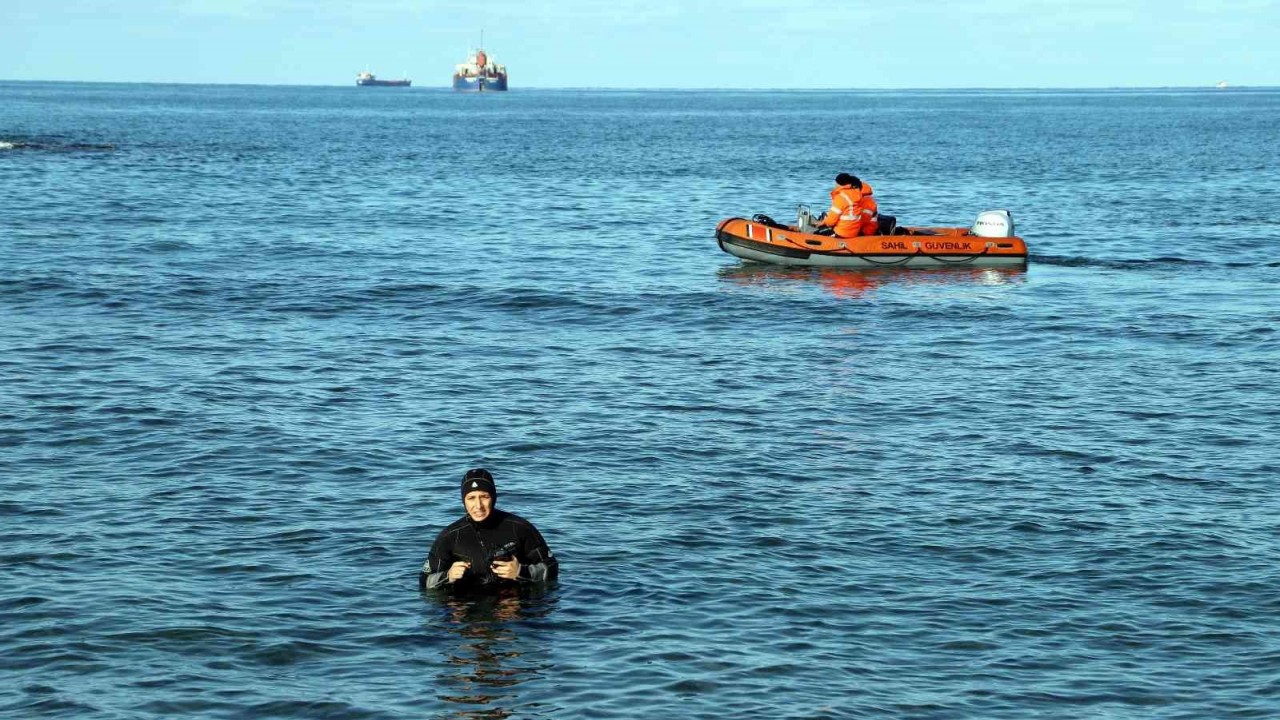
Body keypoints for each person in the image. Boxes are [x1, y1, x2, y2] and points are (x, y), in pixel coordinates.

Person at [420, 468, 559, 592]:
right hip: (467, 611)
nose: (478, 505)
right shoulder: (449, 537)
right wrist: (447, 576)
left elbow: (552, 568)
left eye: (484, 497)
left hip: (515, 612)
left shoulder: (520, 528)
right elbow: (424, 581)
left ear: (493, 498)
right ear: (464, 501)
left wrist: (521, 572)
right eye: (471, 498)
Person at [813, 173, 879, 238]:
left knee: (815, 234)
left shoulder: (842, 197)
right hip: (853, 232)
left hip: (844, 232)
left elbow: (831, 221)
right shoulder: (856, 197)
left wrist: (824, 223)